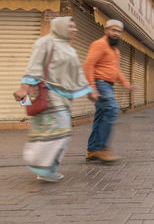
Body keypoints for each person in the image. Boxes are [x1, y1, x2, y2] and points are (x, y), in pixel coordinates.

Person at [13, 17, 94, 182]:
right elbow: (35, 65)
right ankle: (40, 165)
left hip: (64, 98)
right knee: (59, 132)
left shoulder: (70, 49)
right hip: (49, 96)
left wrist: (89, 91)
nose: (74, 30)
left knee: (59, 133)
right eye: (71, 26)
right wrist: (24, 87)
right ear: (60, 26)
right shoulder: (46, 42)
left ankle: (46, 168)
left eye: (75, 26)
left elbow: (77, 73)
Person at [83, 19, 134, 163]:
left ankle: (92, 150)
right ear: (106, 30)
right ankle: (102, 149)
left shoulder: (115, 51)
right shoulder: (99, 44)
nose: (116, 34)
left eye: (119, 31)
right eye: (113, 30)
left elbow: (115, 70)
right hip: (100, 84)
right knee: (112, 110)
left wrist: (126, 84)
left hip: (108, 85)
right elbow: (88, 65)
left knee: (100, 117)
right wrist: (91, 88)